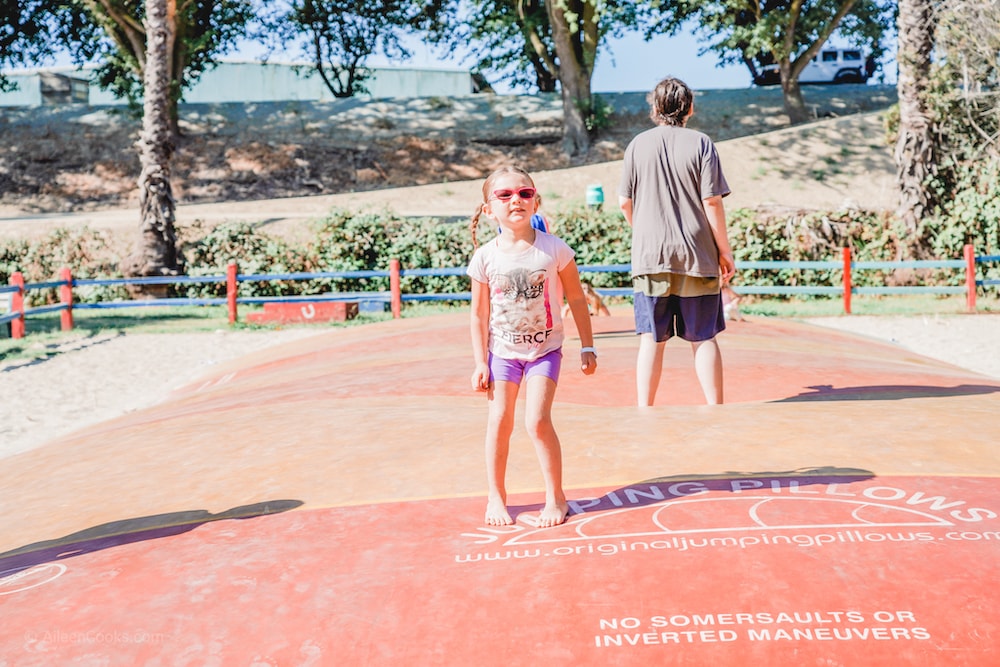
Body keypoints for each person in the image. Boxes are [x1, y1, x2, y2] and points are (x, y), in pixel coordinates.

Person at [468, 166, 598, 527]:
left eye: (525, 194)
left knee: (538, 421)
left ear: (536, 201)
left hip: (545, 351)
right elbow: (478, 316)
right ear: (488, 209)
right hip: (502, 355)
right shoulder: (485, 257)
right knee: (499, 421)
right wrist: (481, 362)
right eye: (505, 195)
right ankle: (496, 496)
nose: (516, 201)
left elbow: (575, 298)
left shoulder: (555, 250)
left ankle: (556, 498)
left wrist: (588, 347)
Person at [617, 76, 736, 406]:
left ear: (654, 108)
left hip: (650, 255)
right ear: (690, 108)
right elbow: (712, 201)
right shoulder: (701, 144)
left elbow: (624, 202)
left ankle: (645, 408)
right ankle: (716, 408)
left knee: (650, 339)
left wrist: (642, 231)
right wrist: (724, 251)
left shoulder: (636, 145)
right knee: (704, 337)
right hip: (697, 255)